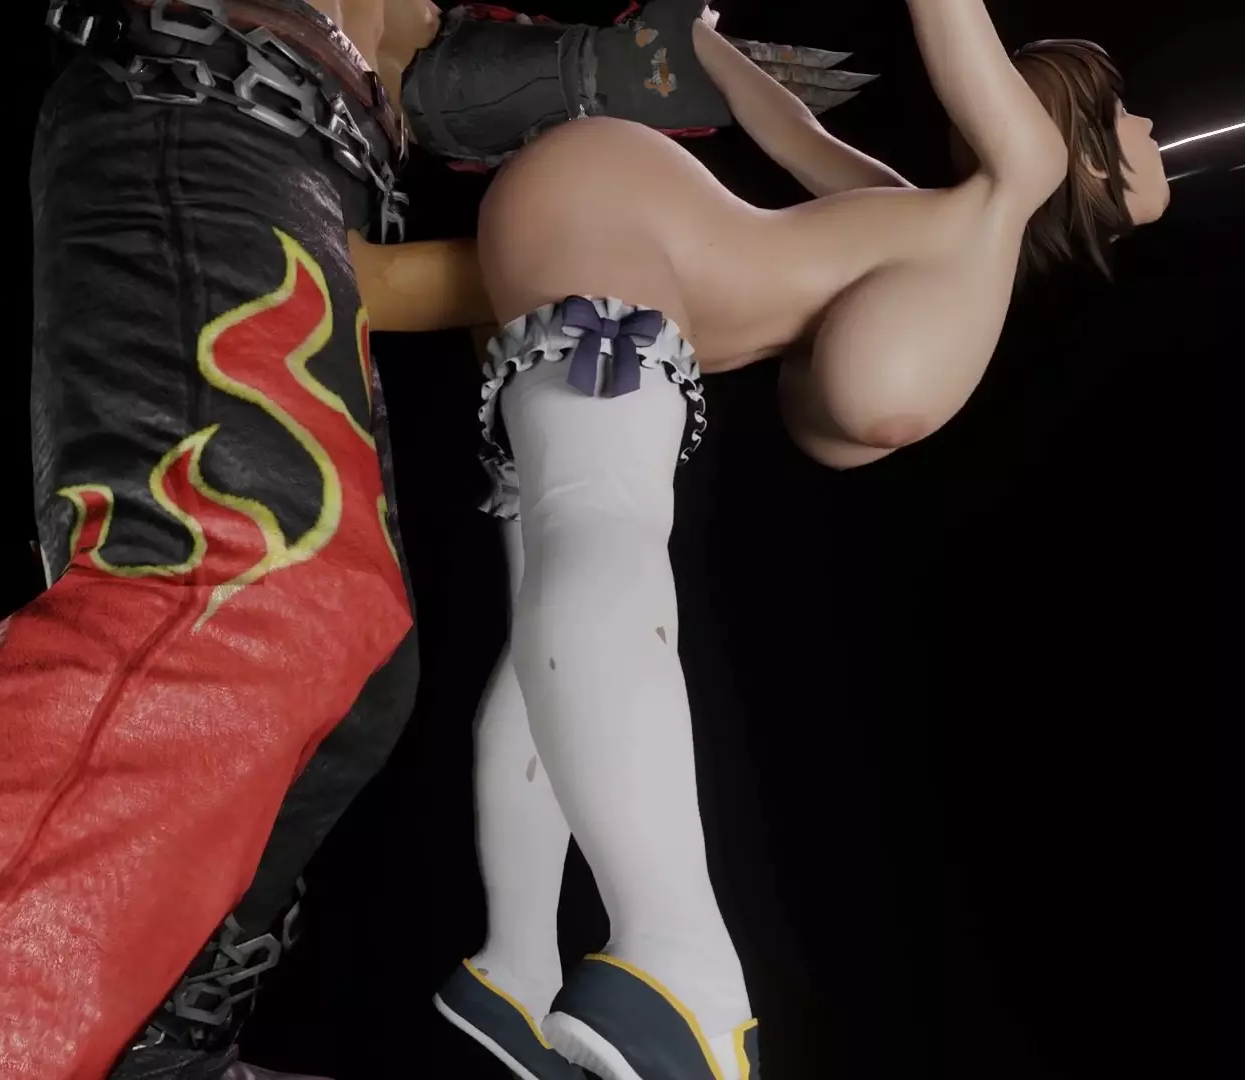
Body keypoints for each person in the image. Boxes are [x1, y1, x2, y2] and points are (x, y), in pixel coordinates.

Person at [0, 1, 865, 1077]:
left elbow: (424, 91)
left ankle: (149, 1036)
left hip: (303, 168)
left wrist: (635, 203)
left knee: (359, 673)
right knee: (241, 584)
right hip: (208, 101)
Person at [426, 6, 1169, 1078]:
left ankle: (516, 972)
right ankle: (670, 957)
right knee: (606, 541)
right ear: (1081, 140)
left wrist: (705, 42)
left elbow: (791, 133)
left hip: (615, 231)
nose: (1151, 127)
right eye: (1133, 112)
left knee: (559, 591)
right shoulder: (1017, 174)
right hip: (619, 225)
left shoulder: (925, 221)